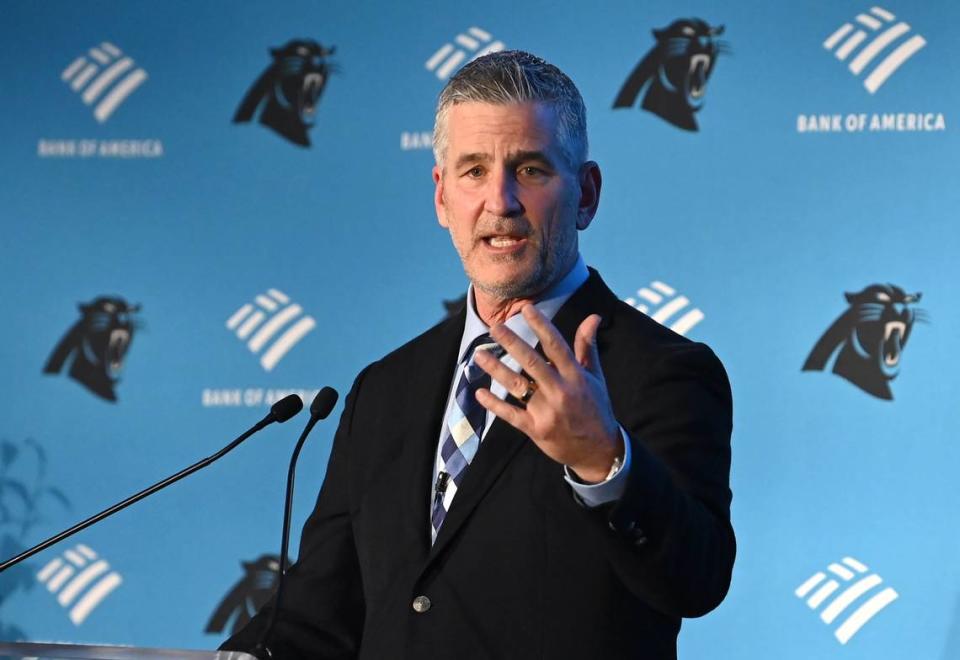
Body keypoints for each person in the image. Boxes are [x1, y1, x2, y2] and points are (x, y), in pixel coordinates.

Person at [223, 50, 734, 660]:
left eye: (530, 170)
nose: (500, 201)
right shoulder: (384, 390)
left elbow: (696, 580)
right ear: (442, 197)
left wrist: (604, 461)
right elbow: (321, 610)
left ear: (587, 194)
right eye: (473, 171)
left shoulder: (661, 370)